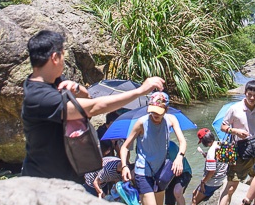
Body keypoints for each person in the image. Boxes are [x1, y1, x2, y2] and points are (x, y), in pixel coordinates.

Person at [21, 29, 164, 182]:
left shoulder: (54, 81)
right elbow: (94, 107)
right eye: (62, 55)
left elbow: (87, 101)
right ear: (55, 58)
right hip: (44, 180)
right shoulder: (38, 97)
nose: (63, 60)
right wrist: (140, 91)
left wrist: (78, 89)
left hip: (66, 175)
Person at [119, 92, 187, 205]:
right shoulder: (141, 123)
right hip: (143, 171)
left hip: (161, 171)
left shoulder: (171, 120)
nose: (155, 115)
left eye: (158, 112)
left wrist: (179, 156)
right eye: (152, 111)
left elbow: (182, 142)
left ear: (166, 109)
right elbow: (125, 147)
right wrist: (124, 166)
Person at [189, 128, 227, 205]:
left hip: (212, 183)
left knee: (194, 199)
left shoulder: (211, 152)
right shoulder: (221, 144)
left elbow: (212, 171)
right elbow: (223, 160)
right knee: (194, 192)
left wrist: (203, 182)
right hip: (222, 177)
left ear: (204, 141)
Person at [164, 139, 193, 205]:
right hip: (167, 174)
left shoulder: (170, 146)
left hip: (183, 171)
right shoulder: (152, 149)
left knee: (177, 192)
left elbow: (175, 166)